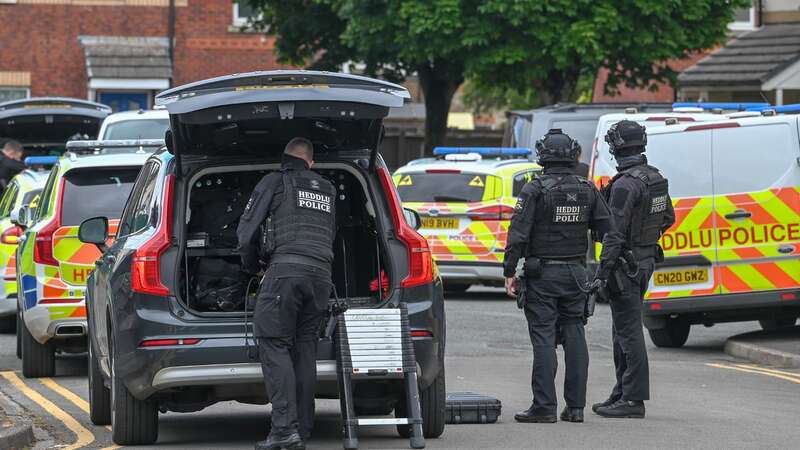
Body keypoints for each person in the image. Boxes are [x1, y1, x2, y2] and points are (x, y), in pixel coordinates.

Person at [504, 129, 613, 424]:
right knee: (575, 334)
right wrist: (602, 268)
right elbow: (608, 230)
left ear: (543, 156)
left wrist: (509, 270)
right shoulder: (587, 188)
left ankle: (544, 406)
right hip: (577, 273)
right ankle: (575, 408)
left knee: (543, 337)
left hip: (543, 274)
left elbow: (517, 234)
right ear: (572, 155)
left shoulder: (534, 189)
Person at [237, 137, 337, 450]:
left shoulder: (274, 181)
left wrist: (253, 267)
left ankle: (283, 430)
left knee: (273, 342)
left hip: (284, 275)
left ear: (284, 160)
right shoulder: (329, 190)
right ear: (312, 162)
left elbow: (245, 234)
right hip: (321, 278)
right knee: (305, 348)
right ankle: (303, 428)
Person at [591, 120, 675, 419]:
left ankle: (633, 400)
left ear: (616, 148)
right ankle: (622, 392)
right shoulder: (655, 178)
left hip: (625, 265)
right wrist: (644, 241)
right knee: (622, 331)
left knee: (627, 332)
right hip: (644, 259)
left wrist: (602, 273)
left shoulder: (626, 184)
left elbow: (613, 233)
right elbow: (668, 217)